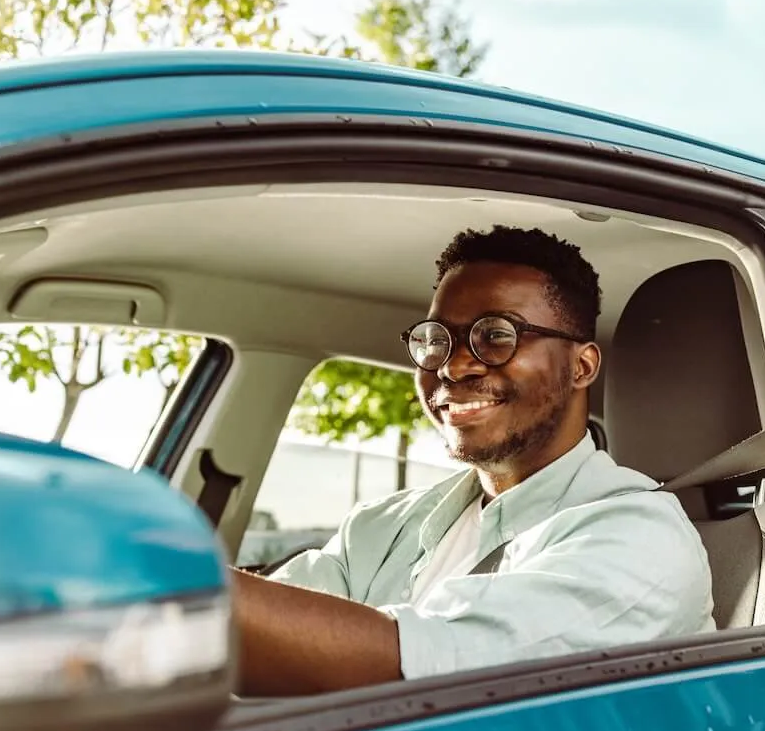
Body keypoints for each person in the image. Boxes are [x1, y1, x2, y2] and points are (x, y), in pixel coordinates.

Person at [232, 225, 715, 696]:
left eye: (497, 336)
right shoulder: (382, 526)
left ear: (581, 366)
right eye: (437, 339)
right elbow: (262, 636)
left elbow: (422, 678)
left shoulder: (640, 539)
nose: (453, 365)